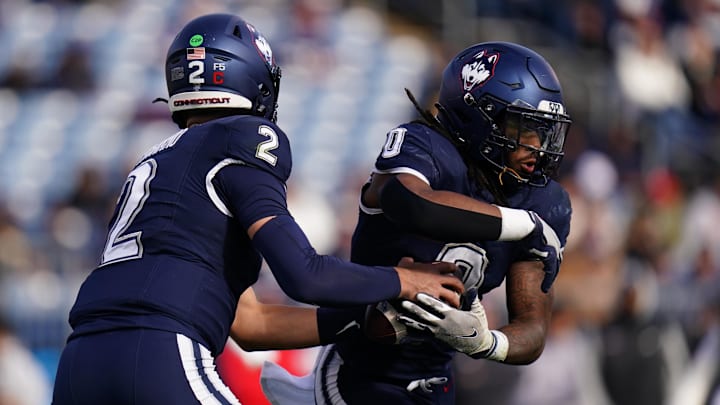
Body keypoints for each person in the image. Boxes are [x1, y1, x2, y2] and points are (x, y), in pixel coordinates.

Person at [50, 13, 473, 405]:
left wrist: (361, 318)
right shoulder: (244, 136)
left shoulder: (157, 162)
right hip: (159, 349)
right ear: (253, 79)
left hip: (80, 361)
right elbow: (304, 275)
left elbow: (252, 325)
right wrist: (402, 280)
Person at [254, 41, 573, 404]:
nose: (537, 147)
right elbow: (410, 202)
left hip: (435, 382)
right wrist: (519, 225)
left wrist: (488, 342)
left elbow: (532, 330)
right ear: (480, 115)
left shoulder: (543, 202)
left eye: (545, 132)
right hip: (359, 374)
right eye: (523, 128)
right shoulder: (427, 149)